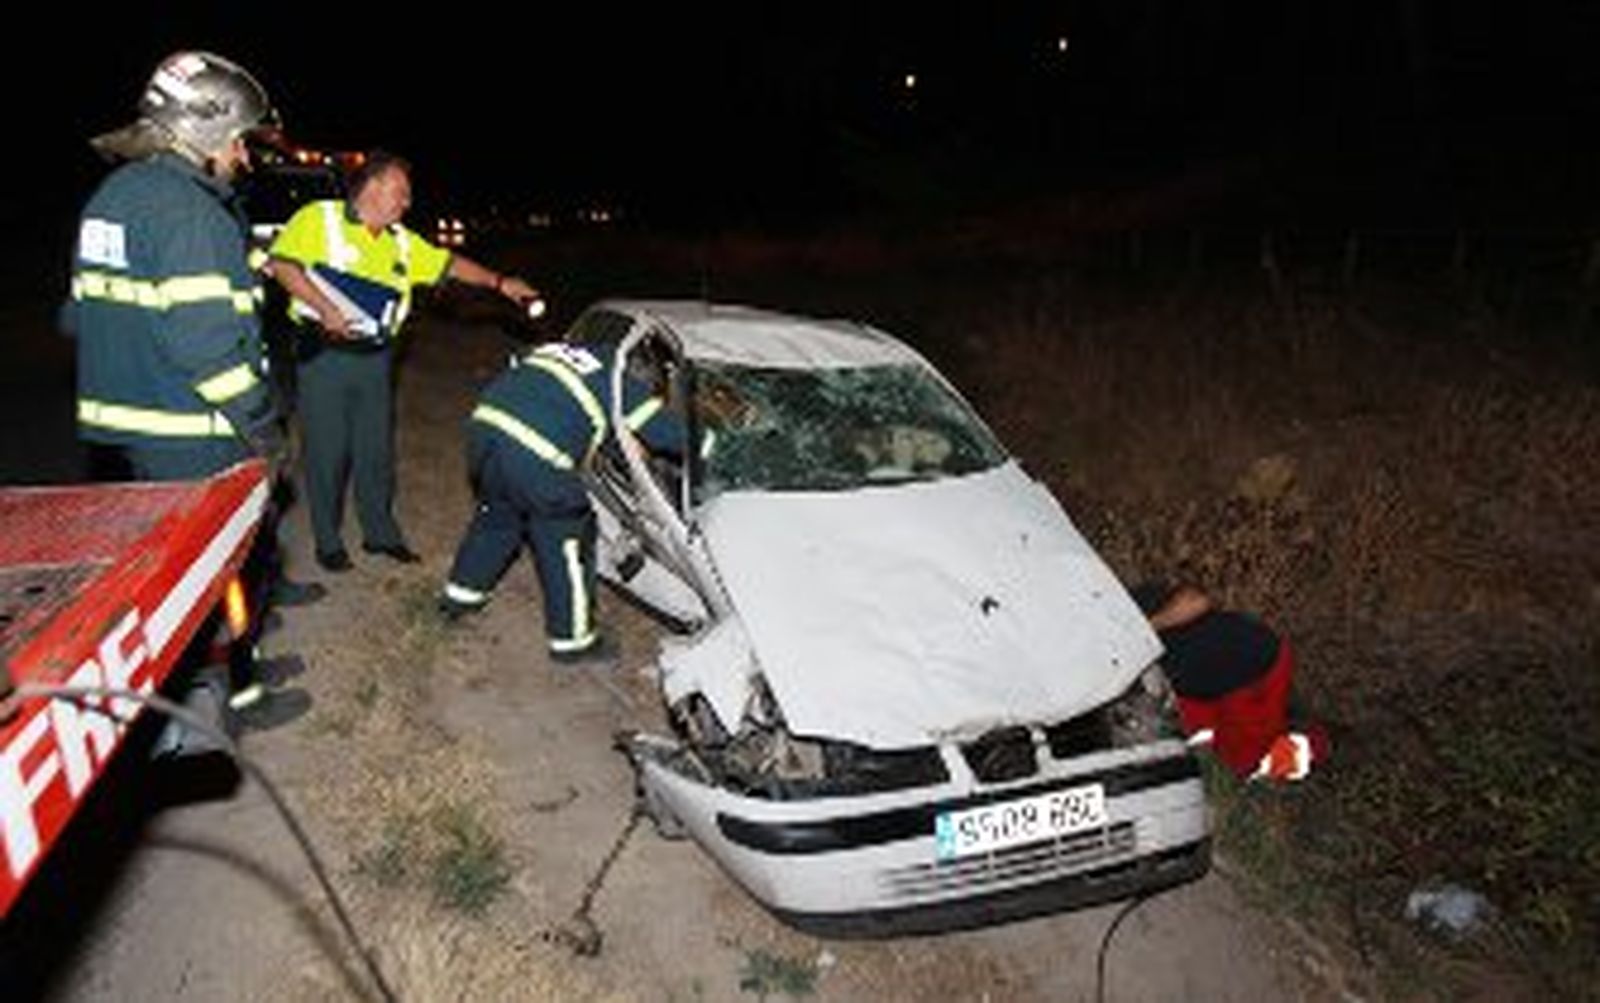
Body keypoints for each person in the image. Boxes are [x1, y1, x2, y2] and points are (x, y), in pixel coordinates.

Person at [64, 50, 316, 735]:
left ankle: (241, 672)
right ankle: (238, 695)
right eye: (239, 140)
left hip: (136, 432)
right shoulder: (191, 215)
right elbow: (210, 352)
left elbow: (76, 315)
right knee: (221, 578)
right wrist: (266, 426)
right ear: (204, 133)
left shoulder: (114, 198)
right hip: (194, 433)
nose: (243, 156)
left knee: (198, 575)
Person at [264, 151, 540, 573]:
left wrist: (500, 283)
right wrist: (324, 307)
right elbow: (282, 265)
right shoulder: (319, 219)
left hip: (376, 360)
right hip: (325, 356)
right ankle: (328, 539)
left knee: (375, 451)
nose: (407, 202)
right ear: (373, 187)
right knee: (327, 451)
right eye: (401, 192)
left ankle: (380, 534)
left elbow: (449, 264)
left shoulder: (401, 241)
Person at [438, 340, 685, 664]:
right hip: (536, 450)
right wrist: (713, 448)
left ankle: (458, 600)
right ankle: (574, 642)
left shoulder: (573, 352)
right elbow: (667, 434)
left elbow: (531, 374)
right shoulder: (620, 381)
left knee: (498, 517)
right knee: (567, 537)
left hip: (485, 428)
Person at [1131, 581, 1329, 782]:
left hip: (1252, 670)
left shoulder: (1126, 610)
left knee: (1248, 761)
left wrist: (1146, 630)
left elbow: (1197, 601)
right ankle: (1285, 721)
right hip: (1199, 690)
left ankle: (1322, 742)